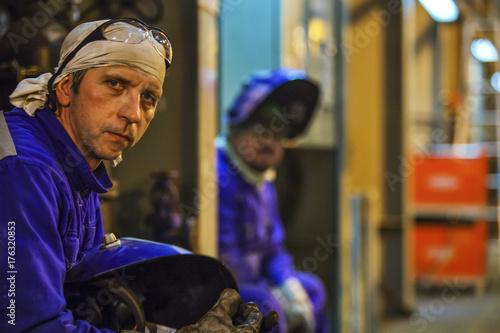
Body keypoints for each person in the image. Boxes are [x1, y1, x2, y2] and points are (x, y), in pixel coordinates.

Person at [0, 18, 277, 333]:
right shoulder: (26, 170)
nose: (132, 113)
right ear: (66, 88)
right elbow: (31, 327)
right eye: (115, 84)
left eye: (148, 98)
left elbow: (81, 304)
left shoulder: (79, 171)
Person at [217, 68, 330, 333]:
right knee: (266, 304)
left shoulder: (262, 182)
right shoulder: (219, 175)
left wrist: (290, 288)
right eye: (259, 130)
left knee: (312, 289)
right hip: (223, 286)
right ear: (235, 127)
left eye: (279, 133)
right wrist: (276, 295)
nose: (270, 142)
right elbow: (225, 261)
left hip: (256, 282)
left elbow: (273, 250)